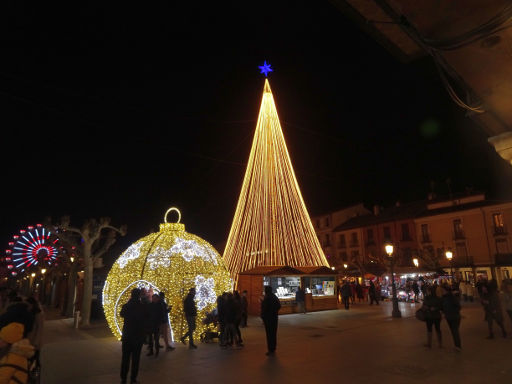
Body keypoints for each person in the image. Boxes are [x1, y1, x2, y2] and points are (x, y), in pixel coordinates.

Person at [120, 288, 147, 384]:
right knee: (136, 359)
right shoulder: (142, 307)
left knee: (125, 358)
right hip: (137, 337)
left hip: (127, 335)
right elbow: (145, 321)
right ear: (139, 295)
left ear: (131, 295)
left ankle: (123, 379)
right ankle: (133, 378)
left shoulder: (126, 306)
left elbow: (121, 314)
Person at [261, 286, 281, 356]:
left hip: (268, 319)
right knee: (273, 333)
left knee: (269, 334)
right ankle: (273, 348)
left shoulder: (266, 298)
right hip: (274, 318)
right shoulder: (274, 296)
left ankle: (270, 349)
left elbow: (264, 309)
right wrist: (275, 311)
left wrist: (263, 317)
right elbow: (279, 305)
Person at [441, 285, 462, 351]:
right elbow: (443, 307)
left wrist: (451, 311)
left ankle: (458, 346)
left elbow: (458, 307)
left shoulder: (452, 297)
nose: (442, 292)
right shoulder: (444, 298)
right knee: (453, 331)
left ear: (446, 290)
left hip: (454, 317)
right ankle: (456, 345)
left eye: (443, 290)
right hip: (449, 317)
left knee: (455, 331)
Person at [26, 297, 44, 372]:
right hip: (30, 339)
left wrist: (36, 342)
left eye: (28, 305)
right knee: (32, 358)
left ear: (32, 304)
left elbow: (40, 328)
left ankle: (35, 373)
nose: (27, 306)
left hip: (34, 340)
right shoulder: (30, 312)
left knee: (34, 358)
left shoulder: (38, 313)